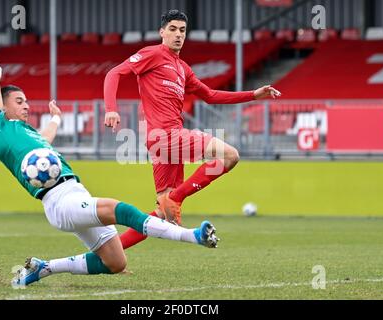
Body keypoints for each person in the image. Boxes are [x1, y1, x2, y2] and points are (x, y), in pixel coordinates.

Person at [0, 61, 219, 287]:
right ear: (2, 107)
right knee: (120, 210)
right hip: (59, 200)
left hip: (74, 191)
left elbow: (45, 140)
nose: (27, 106)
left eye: (27, 101)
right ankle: (193, 236)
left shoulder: (26, 133)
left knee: (115, 262)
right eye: (19, 101)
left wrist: (55, 117)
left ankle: (44, 268)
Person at [103, 10, 281, 248]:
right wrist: (111, 108)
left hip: (165, 144)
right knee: (230, 155)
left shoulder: (183, 68)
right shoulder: (152, 54)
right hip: (165, 136)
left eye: (183, 30)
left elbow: (210, 95)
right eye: (173, 29)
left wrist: (253, 95)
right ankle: (176, 198)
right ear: (162, 32)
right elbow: (114, 73)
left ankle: (107, 253)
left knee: (162, 214)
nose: (178, 35)